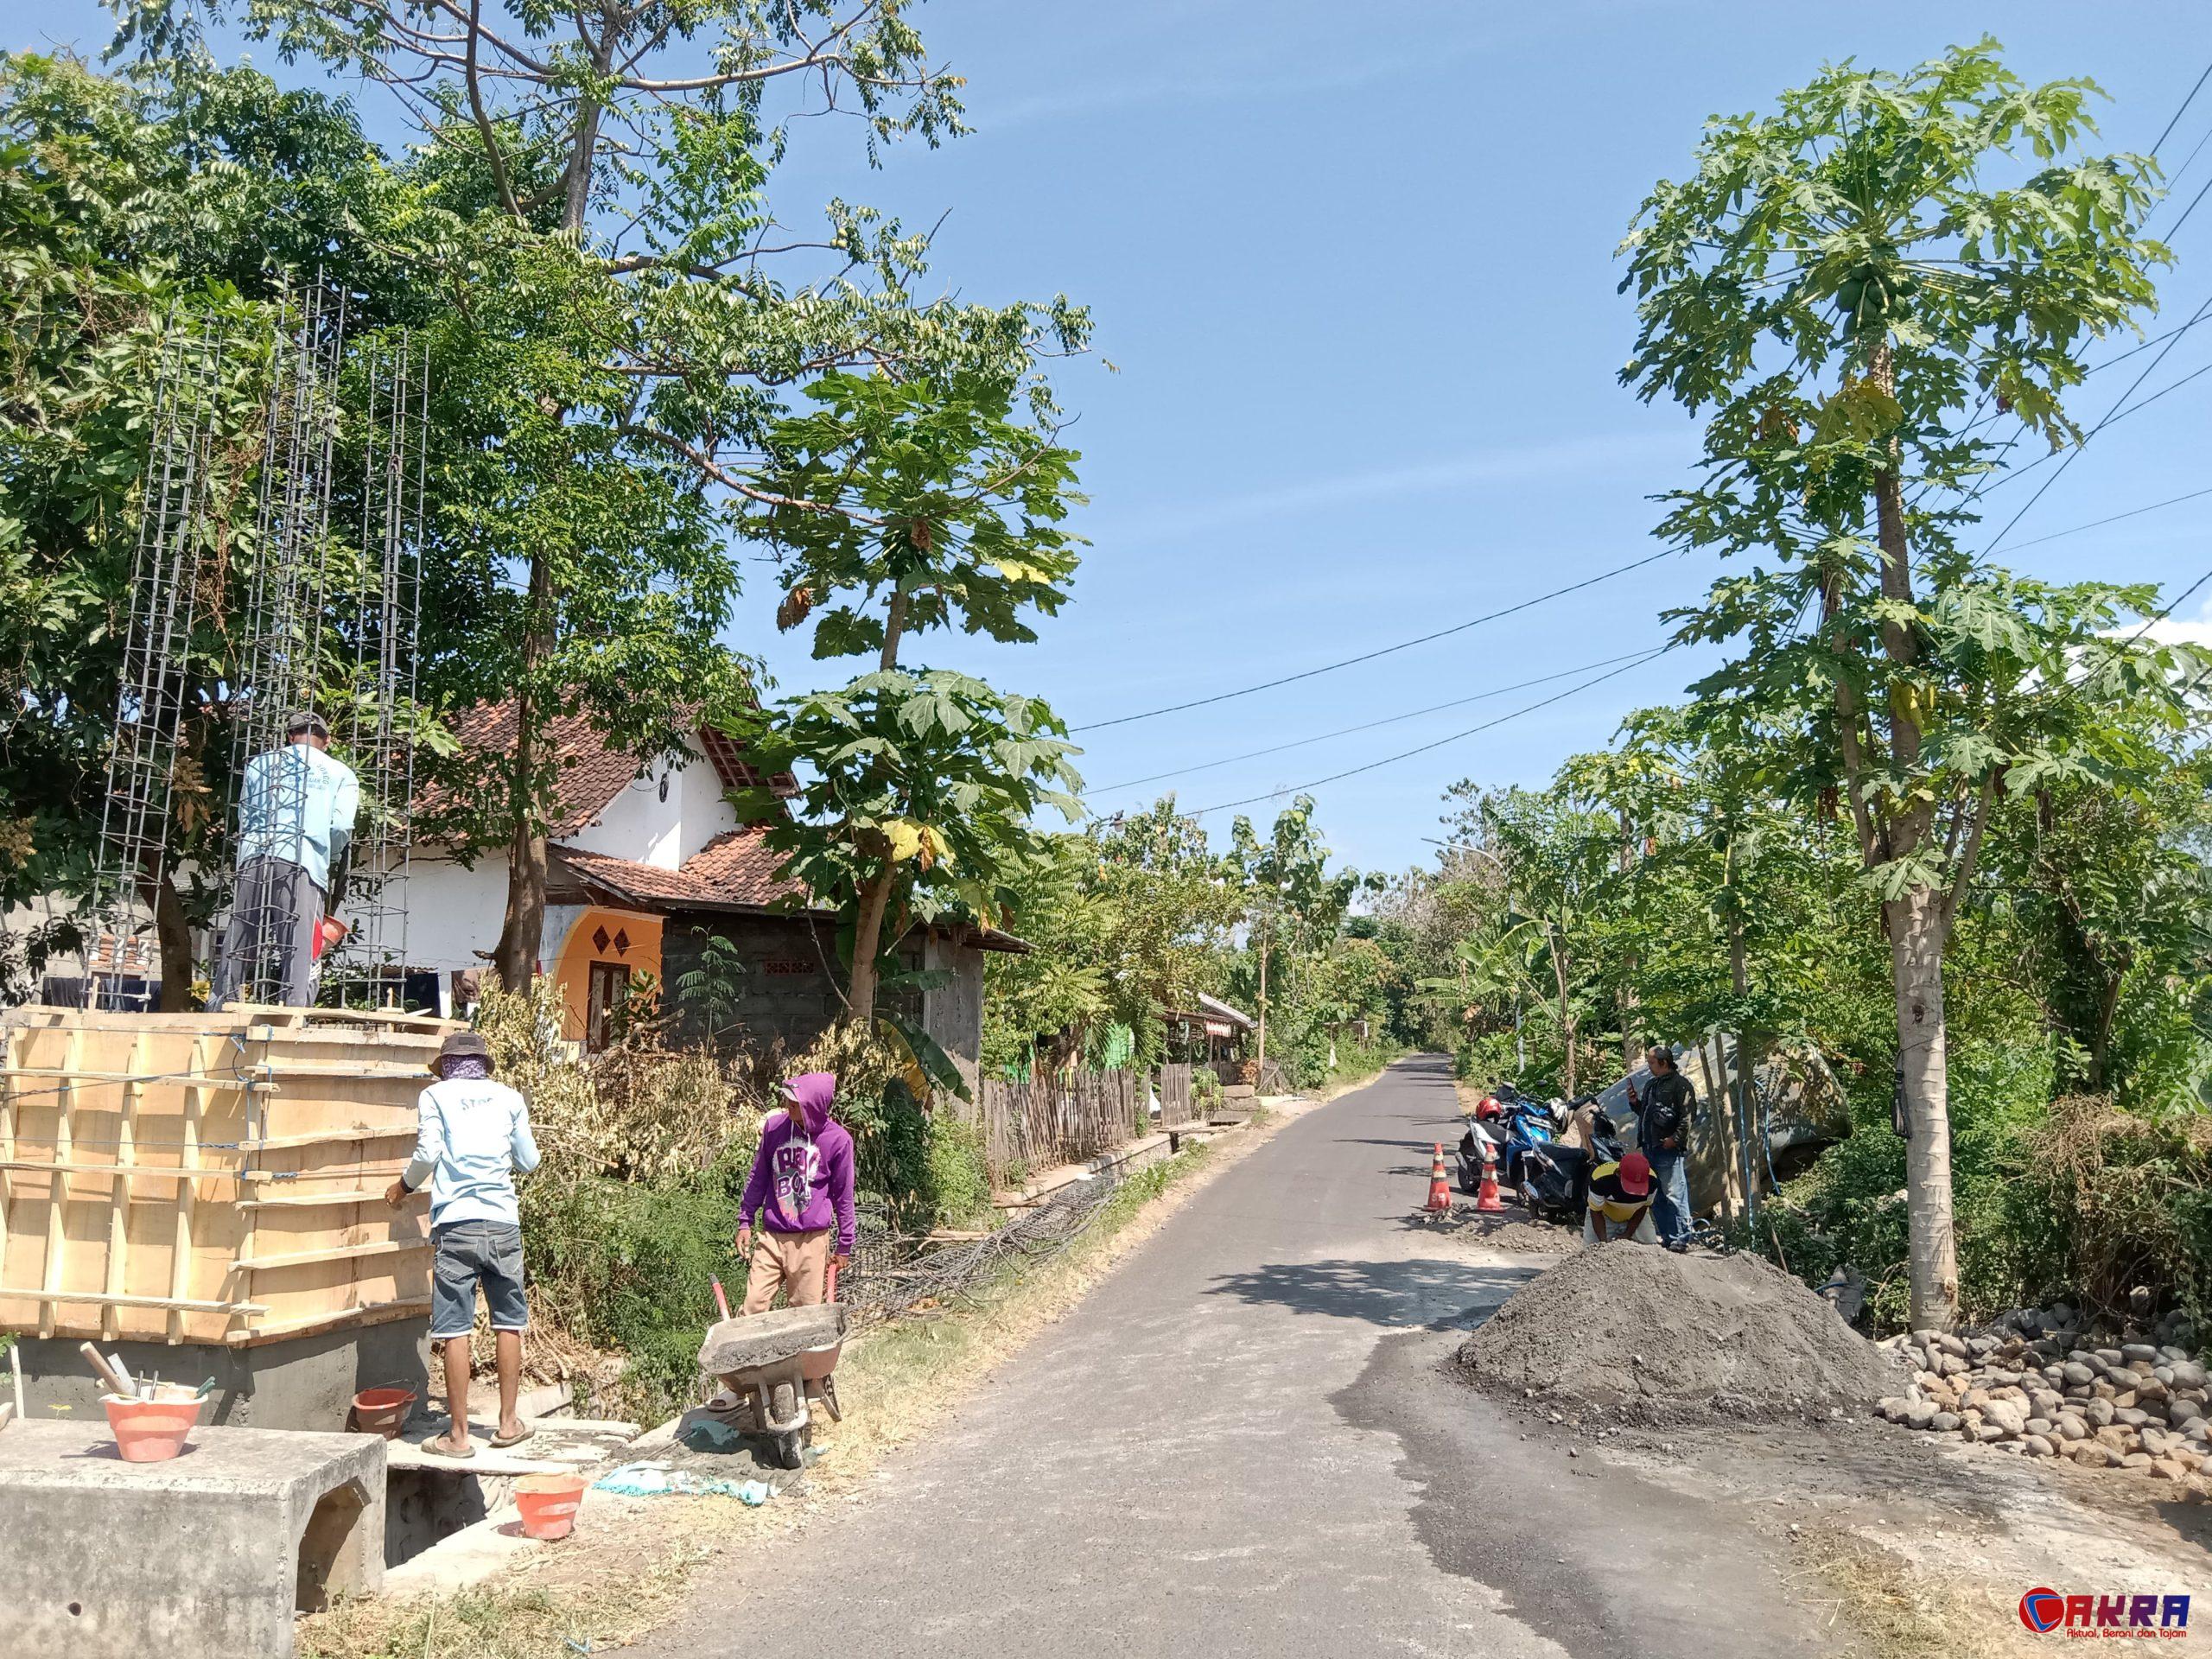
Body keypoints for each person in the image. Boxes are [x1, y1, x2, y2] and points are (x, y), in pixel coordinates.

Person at [385, 1030, 540, 1459]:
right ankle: (508, 1424)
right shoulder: (510, 1098)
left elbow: (428, 1152)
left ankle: (458, 1437)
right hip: (503, 1222)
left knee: (455, 1328)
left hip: (456, 1224)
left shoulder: (435, 1097)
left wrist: (402, 1187)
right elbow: (529, 1161)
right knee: (509, 1322)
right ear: (483, 1065)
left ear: (446, 1066)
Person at [210, 711, 359, 1008]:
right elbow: (341, 827)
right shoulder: (340, 773)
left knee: (240, 938)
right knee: (300, 945)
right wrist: (329, 855)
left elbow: (245, 815)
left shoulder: (258, 765)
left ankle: (220, 1005)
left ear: (290, 737)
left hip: (253, 857)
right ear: (327, 740)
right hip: (303, 861)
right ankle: (294, 1010)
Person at [735, 1071, 857, 1314]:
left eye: (796, 1102)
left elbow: (843, 1195)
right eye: (788, 1099)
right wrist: (745, 1220)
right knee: (752, 1306)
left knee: (804, 1315)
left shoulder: (838, 1141)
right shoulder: (774, 1128)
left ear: (814, 1106)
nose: (788, 1104)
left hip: (810, 1241)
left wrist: (845, 1244)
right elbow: (758, 1176)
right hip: (772, 1236)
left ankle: (801, 1343)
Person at [1630, 1043, 1696, 1250]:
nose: (1649, 1066)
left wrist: (1674, 1139)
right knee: (1656, 1195)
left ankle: (1682, 1238)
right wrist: (1635, 1102)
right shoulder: (1652, 1085)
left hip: (1668, 1150)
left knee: (1674, 1193)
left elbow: (1688, 1117)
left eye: (1651, 1062)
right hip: (1650, 1147)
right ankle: (1667, 1236)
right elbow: (1646, 1113)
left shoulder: (1680, 1085)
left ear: (1664, 1063)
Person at [1584, 1150, 1658, 1246]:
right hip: (1604, 1215)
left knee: (1651, 1247)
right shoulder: (1600, 1179)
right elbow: (1596, 1211)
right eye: (1631, 1185)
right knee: (1591, 1249)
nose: (1634, 1192)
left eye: (1638, 1186)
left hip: (1635, 1214)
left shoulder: (1652, 1181)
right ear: (1618, 1173)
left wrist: (1628, 1234)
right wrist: (1603, 1245)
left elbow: (1643, 1208)